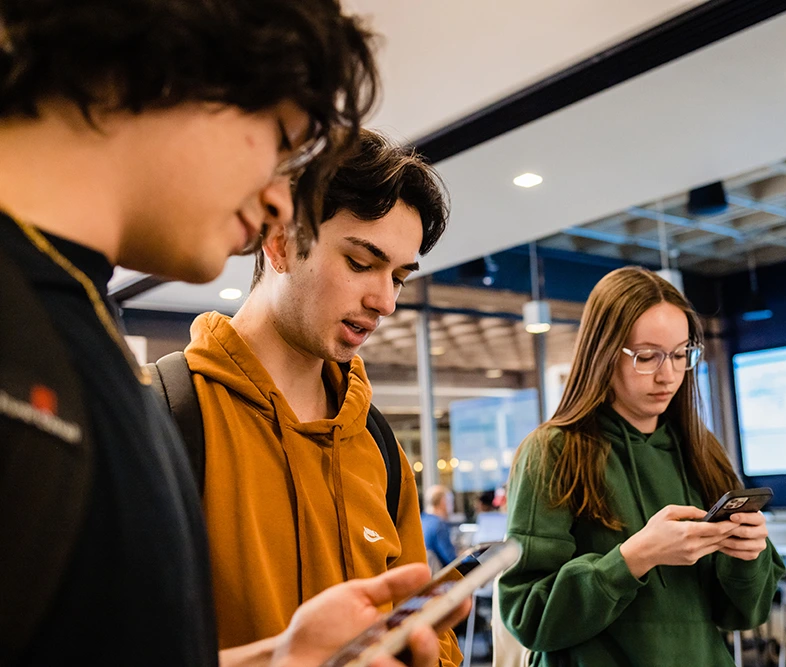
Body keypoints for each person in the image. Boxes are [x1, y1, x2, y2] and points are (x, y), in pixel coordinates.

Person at [0, 2, 466, 665]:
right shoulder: (146, 395)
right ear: (167, 66)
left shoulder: (77, 330)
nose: (277, 196)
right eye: (277, 134)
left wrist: (285, 659)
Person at [181, 129, 463, 663]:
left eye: (399, 277)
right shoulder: (170, 418)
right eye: (361, 263)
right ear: (281, 242)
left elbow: (422, 621)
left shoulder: (378, 446)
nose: (384, 301)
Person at [498, 266, 785, 666]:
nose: (668, 375)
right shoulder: (553, 451)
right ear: (603, 353)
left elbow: (744, 615)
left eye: (681, 354)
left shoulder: (703, 452)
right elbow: (528, 616)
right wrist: (631, 560)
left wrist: (748, 557)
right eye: (647, 356)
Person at [422, 485, 459, 570]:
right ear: (443, 502)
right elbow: (451, 560)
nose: (452, 507)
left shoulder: (422, 520)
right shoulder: (439, 525)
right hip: (440, 578)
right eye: (451, 502)